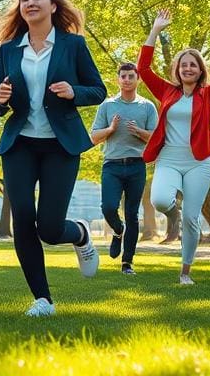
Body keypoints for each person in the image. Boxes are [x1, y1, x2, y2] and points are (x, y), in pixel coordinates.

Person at [0, 0, 107, 317]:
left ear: (52, 5)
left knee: (50, 229)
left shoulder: (73, 45)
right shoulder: (9, 49)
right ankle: (43, 300)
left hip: (60, 145)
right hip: (20, 144)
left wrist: (74, 91)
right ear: (20, 8)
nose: (30, 3)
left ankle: (79, 233)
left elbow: (96, 89)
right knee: (23, 218)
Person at [138, 9, 210, 285]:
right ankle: (174, 212)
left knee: (192, 219)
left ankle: (185, 272)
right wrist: (155, 31)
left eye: (193, 65)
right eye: (183, 65)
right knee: (159, 200)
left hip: (198, 162)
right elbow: (143, 69)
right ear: (177, 70)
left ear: (200, 69)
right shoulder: (167, 91)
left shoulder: (209, 95)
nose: (188, 68)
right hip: (168, 158)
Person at [90, 62, 158, 275]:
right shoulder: (107, 106)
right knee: (108, 207)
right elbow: (93, 137)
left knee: (132, 214)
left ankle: (127, 263)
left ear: (138, 79)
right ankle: (117, 231)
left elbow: (156, 138)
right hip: (112, 165)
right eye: (123, 76)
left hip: (137, 165)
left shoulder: (147, 106)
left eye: (131, 76)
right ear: (118, 79)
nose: (127, 80)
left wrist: (139, 131)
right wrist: (110, 129)